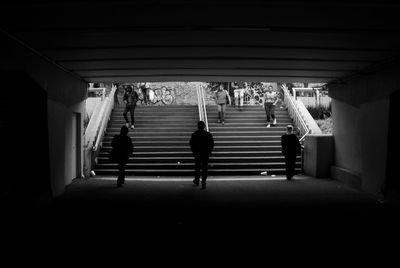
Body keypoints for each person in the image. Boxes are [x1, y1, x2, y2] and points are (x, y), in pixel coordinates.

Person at [189, 121, 214, 189]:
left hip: (197, 153)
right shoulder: (208, 134)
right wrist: (209, 152)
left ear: (198, 126)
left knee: (197, 167)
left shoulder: (195, 134)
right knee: (204, 168)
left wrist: (194, 152)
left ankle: (197, 180)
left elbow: (191, 143)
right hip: (205, 154)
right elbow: (211, 144)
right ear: (204, 126)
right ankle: (203, 182)